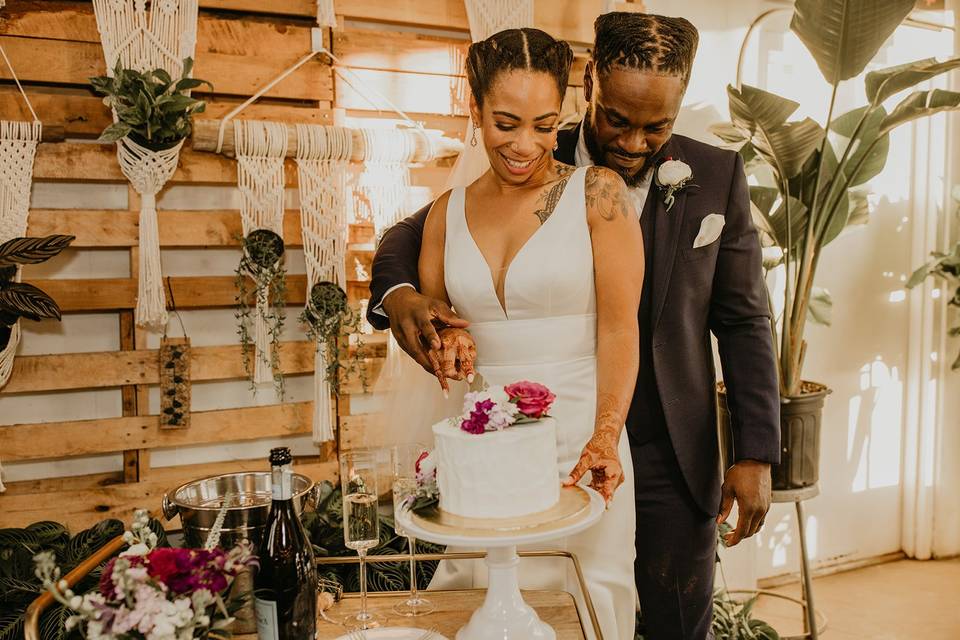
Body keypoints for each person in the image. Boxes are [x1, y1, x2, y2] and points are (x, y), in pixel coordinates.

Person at [369, 13, 781, 640]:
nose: (636, 143)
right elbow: (418, 231)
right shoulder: (528, 146)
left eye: (657, 127)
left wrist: (756, 451)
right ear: (589, 84)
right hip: (534, 439)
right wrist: (400, 293)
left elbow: (746, 319)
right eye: (618, 119)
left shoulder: (716, 176)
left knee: (665, 619)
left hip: (673, 443)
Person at [390, 26, 642, 639]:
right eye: (506, 124)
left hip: (583, 438)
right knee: (479, 600)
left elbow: (619, 330)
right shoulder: (445, 214)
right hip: (486, 445)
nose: (526, 144)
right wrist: (444, 346)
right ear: (473, 108)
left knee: (587, 601)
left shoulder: (598, 194)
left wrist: (606, 436)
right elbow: (441, 327)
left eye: (545, 124)